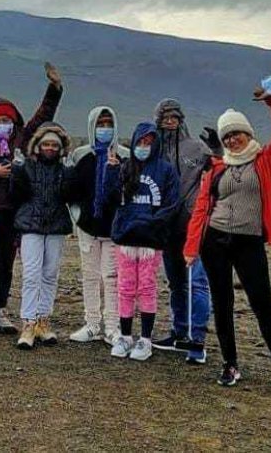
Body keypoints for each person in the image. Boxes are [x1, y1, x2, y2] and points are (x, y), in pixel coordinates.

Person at [184, 81, 271, 397]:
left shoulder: (265, 160)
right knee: (222, 303)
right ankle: (230, 363)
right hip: (216, 241)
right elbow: (201, 208)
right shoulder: (217, 168)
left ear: (248, 134)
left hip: (249, 242)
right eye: (227, 136)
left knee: (263, 304)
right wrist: (191, 247)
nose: (233, 139)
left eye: (237, 133)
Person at [0, 62, 63, 339]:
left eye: (6, 120)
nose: (2, 125)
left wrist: (54, 88)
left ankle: (0, 310)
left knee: (6, 261)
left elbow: (42, 117)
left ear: (14, 121)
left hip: (13, 211)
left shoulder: (21, 138)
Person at [103, 122, 180, 362]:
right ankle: (125, 336)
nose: (143, 147)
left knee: (146, 287)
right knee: (125, 287)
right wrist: (110, 172)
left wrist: (154, 223)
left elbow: (172, 203)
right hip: (126, 237)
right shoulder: (126, 168)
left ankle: (145, 339)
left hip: (150, 239)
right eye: (140, 142)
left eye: (149, 143)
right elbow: (111, 198)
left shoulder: (165, 170)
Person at [152, 98, 213, 364]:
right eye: (165, 117)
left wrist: (217, 149)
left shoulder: (197, 148)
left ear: (182, 119)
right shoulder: (152, 149)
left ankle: (197, 339)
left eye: (175, 117)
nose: (170, 121)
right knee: (175, 283)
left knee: (198, 283)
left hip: (193, 226)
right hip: (167, 227)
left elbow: (219, 169)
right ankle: (179, 332)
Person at [10, 123, 75, 349]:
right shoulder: (26, 166)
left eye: (54, 145)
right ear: (37, 146)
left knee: (50, 274)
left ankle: (43, 321)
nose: (49, 148)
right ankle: (28, 323)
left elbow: (68, 195)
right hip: (31, 224)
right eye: (45, 144)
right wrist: (16, 171)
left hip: (56, 225)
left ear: (61, 148)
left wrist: (68, 173)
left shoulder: (64, 169)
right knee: (31, 274)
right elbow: (17, 194)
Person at [68, 106, 126, 344]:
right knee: (90, 275)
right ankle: (92, 323)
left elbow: (127, 192)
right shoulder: (81, 155)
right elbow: (72, 190)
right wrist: (77, 218)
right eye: (100, 124)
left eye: (108, 124)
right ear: (92, 126)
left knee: (111, 277)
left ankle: (113, 326)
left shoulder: (125, 155)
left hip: (113, 227)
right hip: (87, 226)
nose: (105, 129)